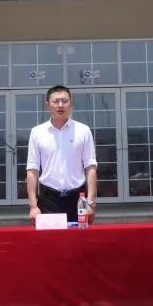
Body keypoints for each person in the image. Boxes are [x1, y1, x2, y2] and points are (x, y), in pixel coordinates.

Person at [26, 85, 97, 224]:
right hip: (48, 199)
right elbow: (32, 170)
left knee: (80, 243)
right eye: (56, 101)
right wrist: (33, 205)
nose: (60, 105)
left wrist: (90, 203)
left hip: (78, 199)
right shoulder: (37, 132)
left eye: (64, 101)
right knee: (50, 244)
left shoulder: (83, 130)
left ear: (71, 104)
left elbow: (91, 168)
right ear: (48, 105)